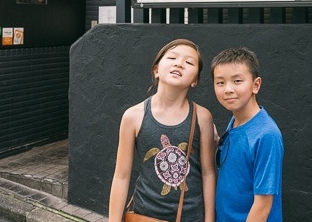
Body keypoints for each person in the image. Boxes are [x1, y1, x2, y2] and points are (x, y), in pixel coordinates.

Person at [109, 39, 217, 222]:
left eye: (189, 62)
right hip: (144, 214)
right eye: (172, 57)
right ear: (156, 69)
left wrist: (209, 219)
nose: (179, 63)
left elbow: (208, 173)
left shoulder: (202, 117)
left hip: (191, 216)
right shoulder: (133, 116)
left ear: (195, 80)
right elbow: (121, 175)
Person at [211, 47, 284, 222]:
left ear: (256, 85)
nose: (228, 89)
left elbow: (263, 204)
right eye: (220, 82)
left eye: (237, 81)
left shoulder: (266, 134)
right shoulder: (235, 122)